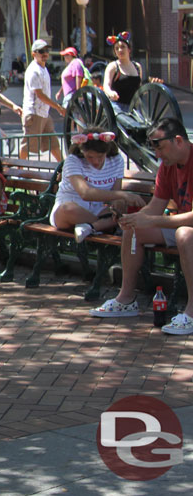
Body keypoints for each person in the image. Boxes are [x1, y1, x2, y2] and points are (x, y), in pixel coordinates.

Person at [90, 118, 193, 335]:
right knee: (133, 228)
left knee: (185, 234)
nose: (157, 154)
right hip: (182, 223)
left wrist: (152, 220)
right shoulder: (168, 166)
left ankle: (192, 312)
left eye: (160, 146)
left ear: (178, 141)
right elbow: (155, 207)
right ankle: (126, 299)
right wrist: (134, 219)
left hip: (187, 228)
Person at [50, 129, 139, 242]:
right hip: (71, 211)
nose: (96, 161)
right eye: (90, 157)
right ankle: (101, 225)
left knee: (123, 212)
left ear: (107, 151)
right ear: (82, 151)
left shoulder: (116, 160)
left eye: (100, 156)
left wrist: (118, 202)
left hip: (98, 209)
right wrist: (123, 195)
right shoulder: (73, 160)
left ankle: (89, 227)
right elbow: (85, 193)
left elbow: (115, 194)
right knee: (67, 208)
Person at [21, 40, 67, 160]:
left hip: (44, 113)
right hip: (33, 113)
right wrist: (57, 107)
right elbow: (40, 95)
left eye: (46, 50)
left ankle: (64, 168)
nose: (45, 53)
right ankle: (17, 170)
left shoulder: (43, 69)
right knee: (27, 146)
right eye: (41, 51)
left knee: (53, 143)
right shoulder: (33, 71)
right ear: (33, 54)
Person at [103, 31, 161, 113]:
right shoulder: (113, 66)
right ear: (115, 52)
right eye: (116, 48)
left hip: (134, 108)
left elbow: (139, 89)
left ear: (129, 49)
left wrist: (152, 85)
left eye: (123, 47)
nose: (120, 50)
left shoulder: (137, 67)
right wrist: (110, 93)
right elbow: (106, 86)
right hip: (117, 107)